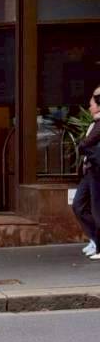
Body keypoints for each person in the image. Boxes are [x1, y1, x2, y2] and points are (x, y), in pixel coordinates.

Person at [73, 87, 100, 258]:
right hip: (89, 170)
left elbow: (85, 144)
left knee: (97, 209)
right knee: (79, 205)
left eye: (91, 104)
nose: (89, 108)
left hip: (97, 170)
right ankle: (95, 239)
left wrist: (82, 146)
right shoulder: (95, 123)